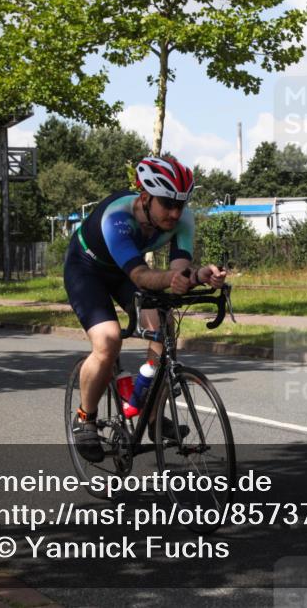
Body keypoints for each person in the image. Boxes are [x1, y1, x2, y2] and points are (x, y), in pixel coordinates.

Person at [65, 156, 226, 462]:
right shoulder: (117, 218)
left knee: (163, 325)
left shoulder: (183, 219)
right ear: (145, 198)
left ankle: (151, 413)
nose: (175, 213)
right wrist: (179, 278)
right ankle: (85, 417)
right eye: (167, 204)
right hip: (86, 269)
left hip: (124, 271)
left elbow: (178, 271)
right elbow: (141, 276)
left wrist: (199, 276)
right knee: (108, 340)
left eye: (181, 204)